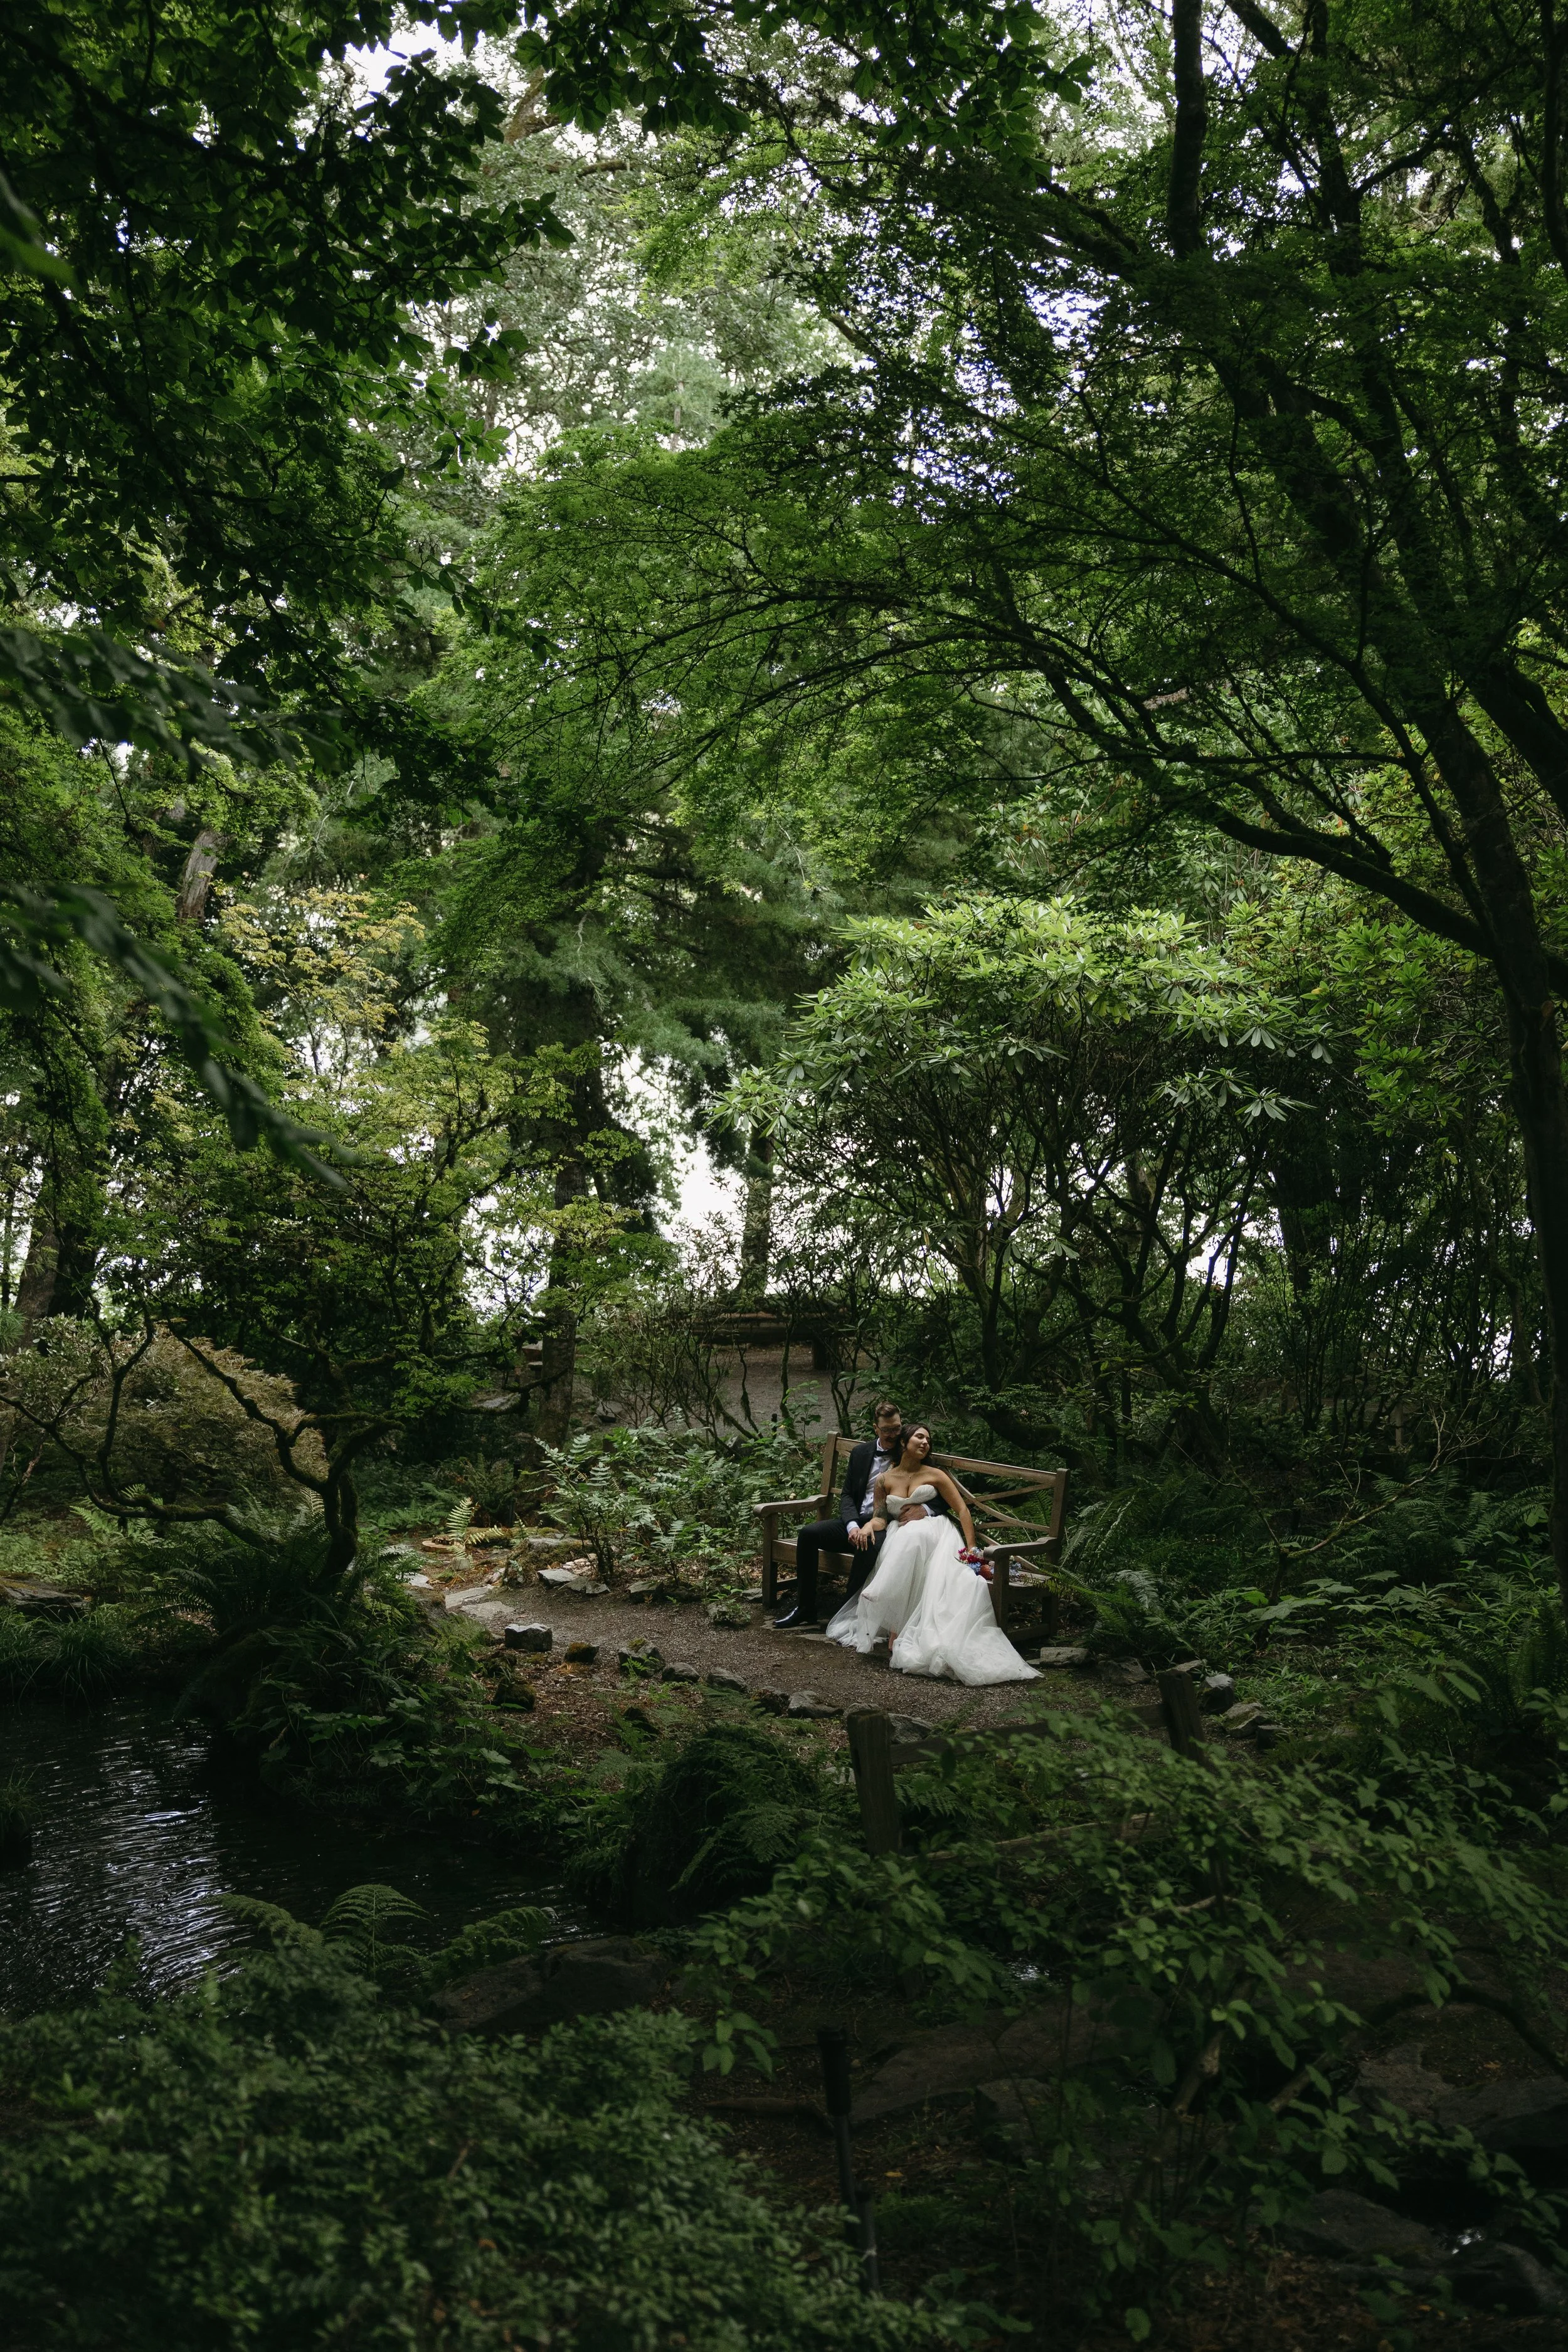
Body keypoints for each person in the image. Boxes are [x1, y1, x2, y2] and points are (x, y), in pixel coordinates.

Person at [824, 1423, 1039, 1686]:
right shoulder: (885, 1479)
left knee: (913, 1536)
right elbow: (880, 1519)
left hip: (936, 1533)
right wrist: (868, 1525)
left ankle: (884, 1597)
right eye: (919, 1437)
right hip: (899, 1533)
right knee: (904, 1536)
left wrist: (971, 1551)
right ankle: (896, 1627)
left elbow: (962, 1511)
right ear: (904, 1443)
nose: (926, 1442)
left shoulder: (936, 1474)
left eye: (928, 1439)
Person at [772, 1398, 905, 1631]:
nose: (893, 1435)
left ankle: (845, 1614)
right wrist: (852, 1525)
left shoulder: (908, 1454)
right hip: (855, 1522)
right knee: (808, 1534)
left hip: (884, 1525)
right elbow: (846, 1496)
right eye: (887, 1430)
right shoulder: (861, 1453)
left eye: (897, 1428)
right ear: (876, 1428)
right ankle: (805, 1608)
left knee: (868, 1544)